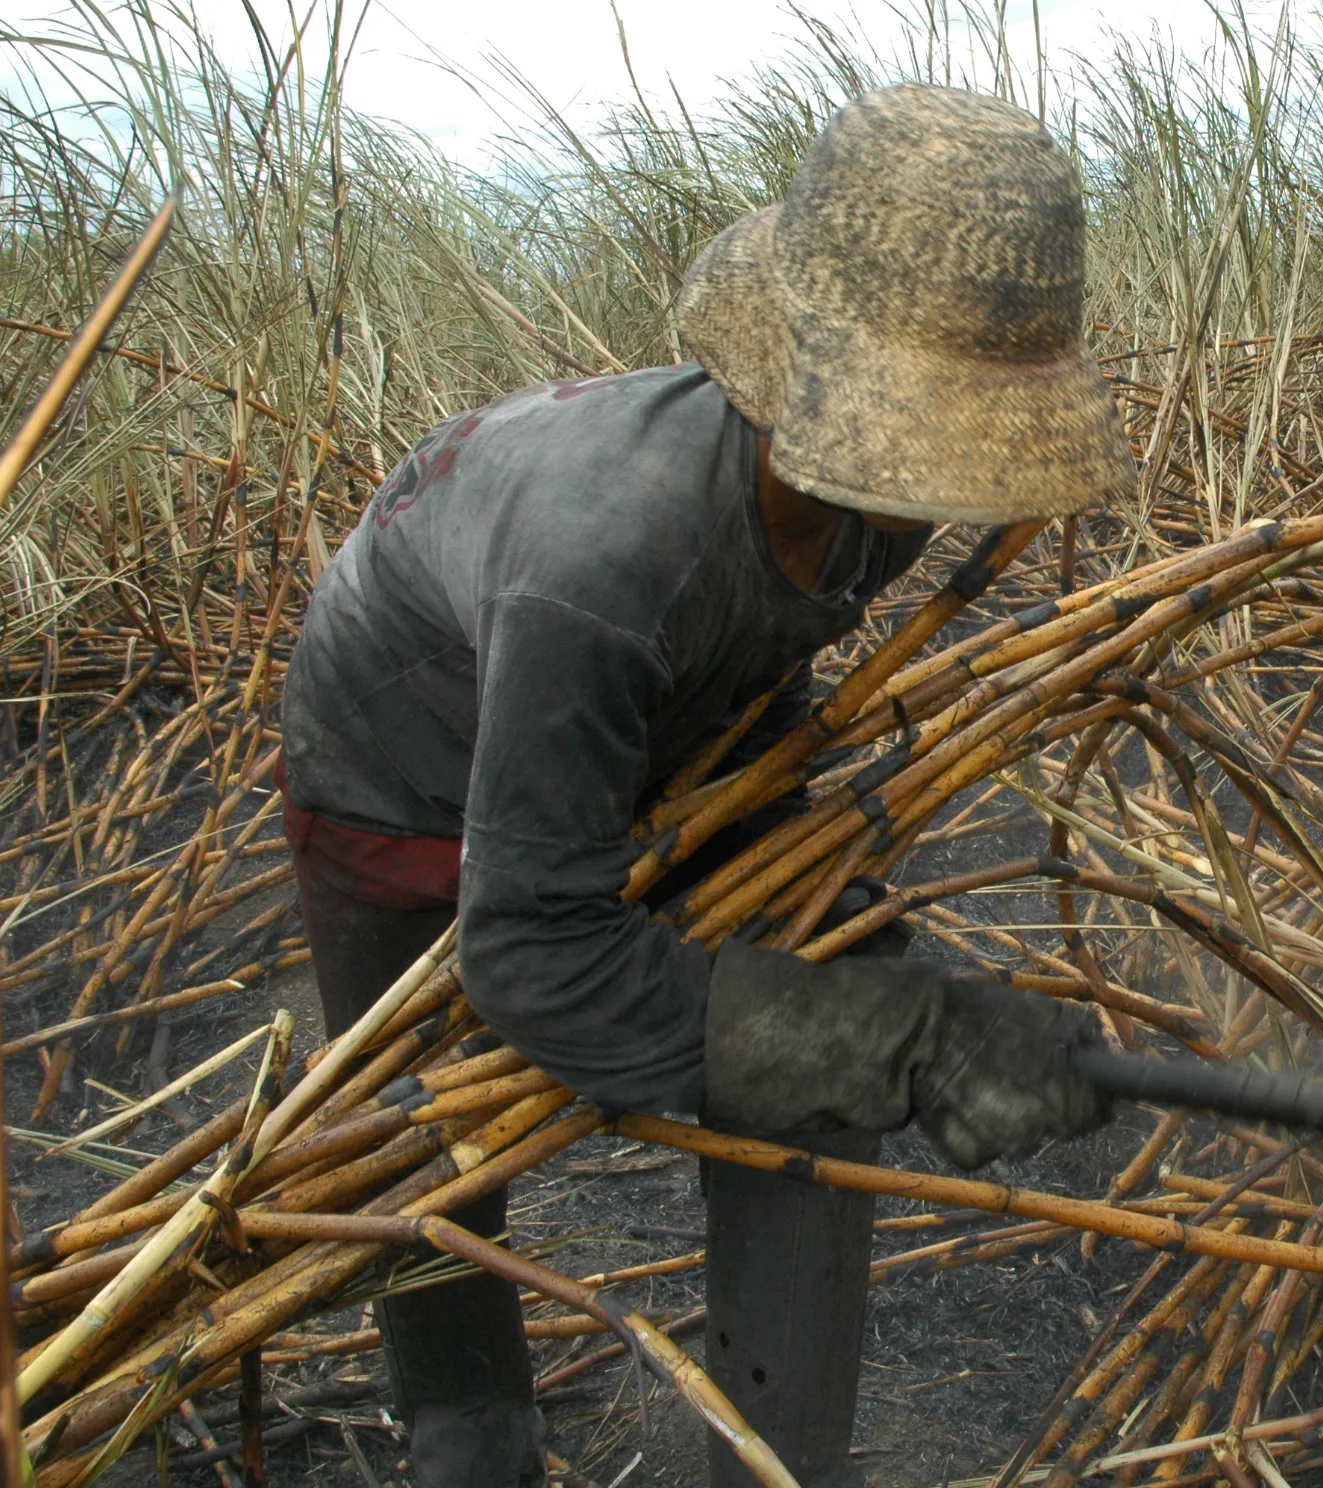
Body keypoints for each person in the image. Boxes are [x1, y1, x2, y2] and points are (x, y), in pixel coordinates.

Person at [280, 85, 1131, 1488]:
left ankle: (774, 1460)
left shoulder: (869, 505)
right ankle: (468, 1434)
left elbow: (744, 658)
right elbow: (531, 954)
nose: (942, 480)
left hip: (649, 721)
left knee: (825, 993)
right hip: (404, 756)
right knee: (416, 1126)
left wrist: (838, 958)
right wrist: (887, 1040)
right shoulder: (603, 570)